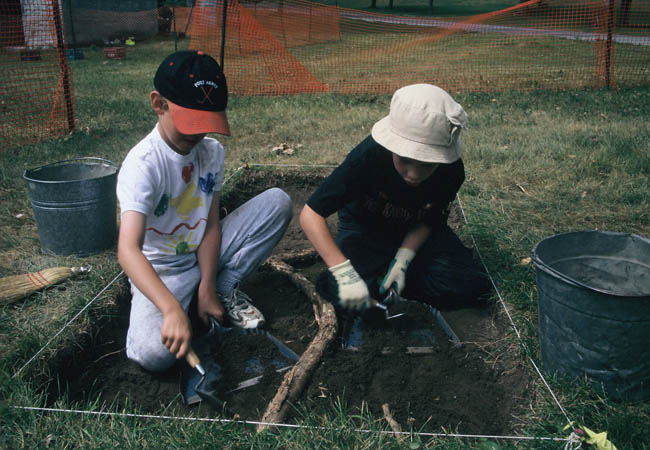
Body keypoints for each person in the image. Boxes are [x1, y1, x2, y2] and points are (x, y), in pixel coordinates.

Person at [117, 50, 292, 372]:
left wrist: (209, 286)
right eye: (190, 122)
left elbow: (210, 226)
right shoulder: (143, 165)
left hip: (204, 253)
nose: (198, 134)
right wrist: (170, 308)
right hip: (163, 270)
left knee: (277, 202)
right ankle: (182, 307)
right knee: (152, 355)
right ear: (159, 104)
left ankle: (221, 291)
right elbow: (128, 250)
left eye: (206, 123)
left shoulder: (210, 152)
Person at [300, 84, 489, 313]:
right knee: (338, 293)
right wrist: (344, 274)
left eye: (427, 165)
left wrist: (403, 259)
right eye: (405, 160)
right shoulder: (367, 157)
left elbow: (431, 219)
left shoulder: (451, 171)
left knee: (469, 284)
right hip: (365, 229)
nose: (413, 175)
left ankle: (388, 283)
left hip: (413, 231)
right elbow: (311, 214)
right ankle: (375, 282)